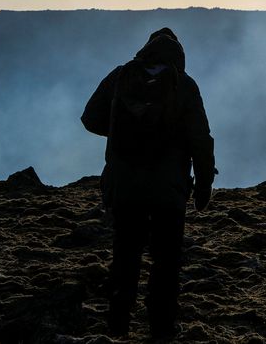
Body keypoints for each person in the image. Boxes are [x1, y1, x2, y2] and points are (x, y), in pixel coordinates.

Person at [81, 27, 215, 339]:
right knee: (166, 261)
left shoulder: (120, 77)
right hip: (169, 190)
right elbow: (201, 139)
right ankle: (161, 328)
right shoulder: (184, 85)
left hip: (124, 186)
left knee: (125, 255)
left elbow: (90, 118)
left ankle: (118, 325)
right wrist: (204, 185)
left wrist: (119, 133)